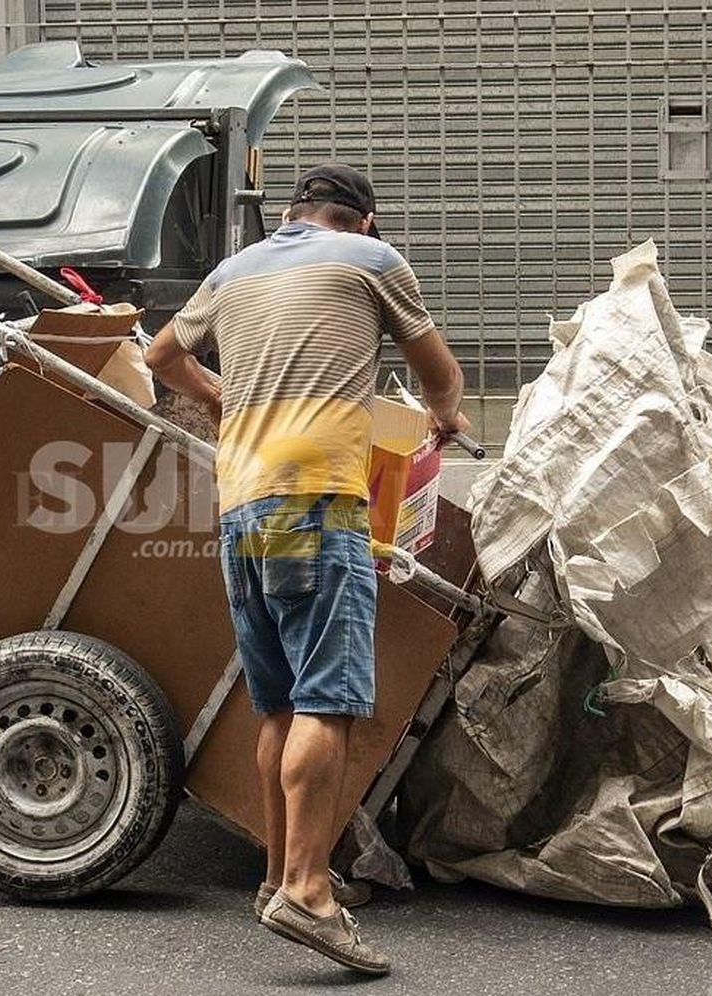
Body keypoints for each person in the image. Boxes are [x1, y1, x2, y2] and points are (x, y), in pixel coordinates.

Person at [143, 164, 467, 976]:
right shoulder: (372, 260)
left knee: (280, 704)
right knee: (330, 700)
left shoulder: (233, 270)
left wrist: (218, 396)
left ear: (291, 215)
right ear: (362, 221)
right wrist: (444, 415)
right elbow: (439, 372)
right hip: (317, 500)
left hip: (243, 505)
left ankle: (277, 876)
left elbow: (160, 355)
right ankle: (309, 890)